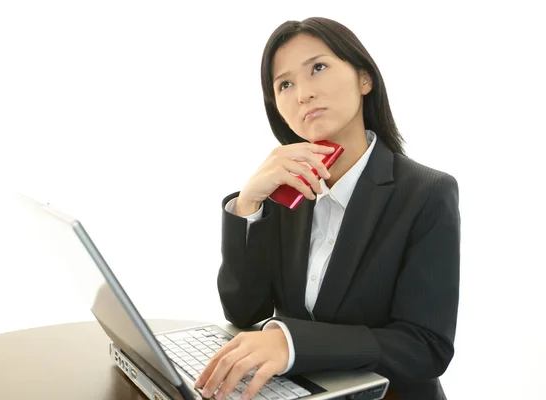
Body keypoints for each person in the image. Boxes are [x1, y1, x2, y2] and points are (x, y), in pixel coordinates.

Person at [194, 16, 460, 400]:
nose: (302, 94)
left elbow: (425, 347)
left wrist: (292, 343)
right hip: (298, 393)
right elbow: (243, 310)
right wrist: (248, 202)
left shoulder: (426, 192)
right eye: (285, 84)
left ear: (364, 79)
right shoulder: (285, 191)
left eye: (317, 68)